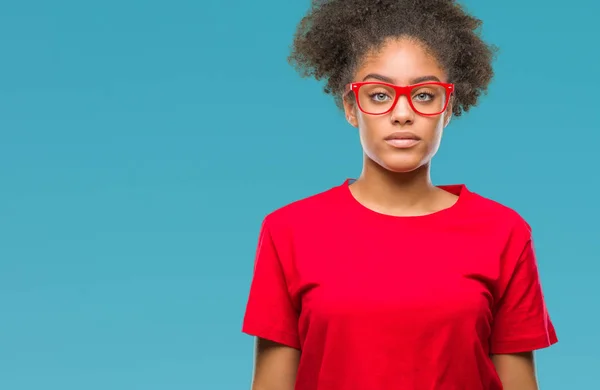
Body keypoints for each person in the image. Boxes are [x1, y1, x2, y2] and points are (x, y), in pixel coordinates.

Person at [241, 0, 558, 389]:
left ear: (447, 107)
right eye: (379, 94)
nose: (402, 113)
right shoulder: (288, 231)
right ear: (351, 107)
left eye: (424, 94)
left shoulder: (503, 232)